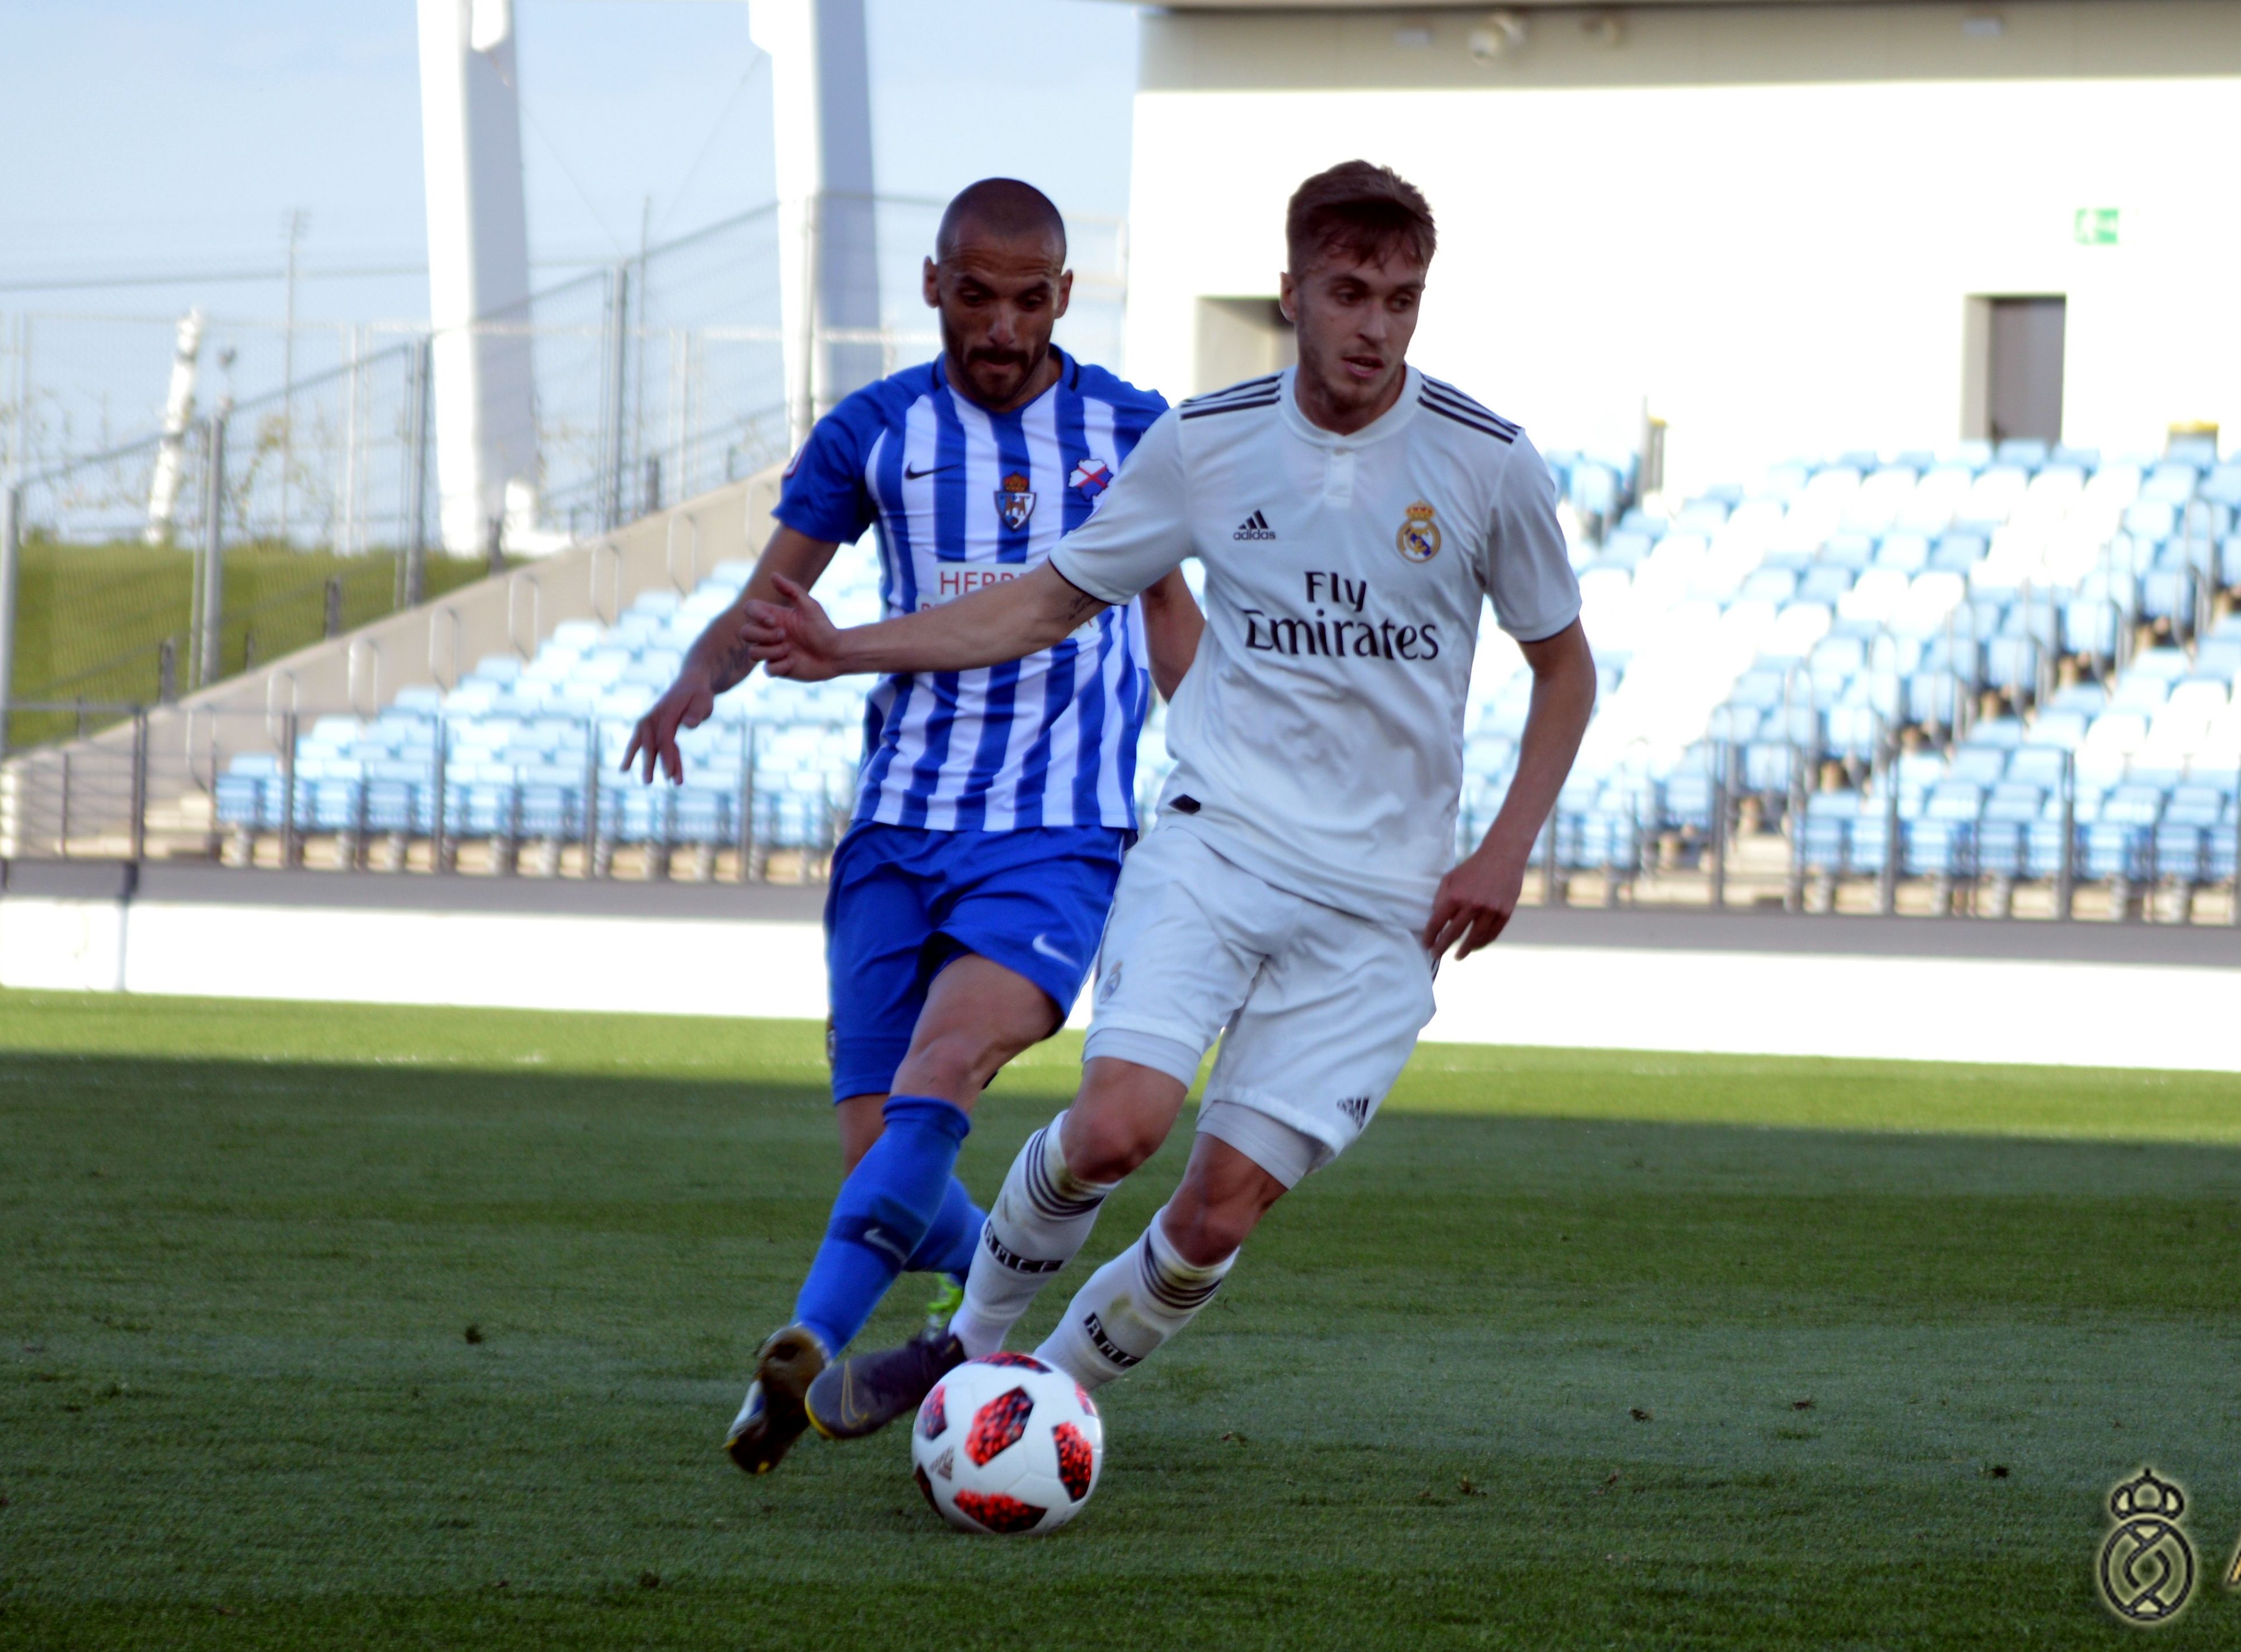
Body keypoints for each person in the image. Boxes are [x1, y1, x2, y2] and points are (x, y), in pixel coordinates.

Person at [740, 159, 1594, 1422]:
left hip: (1384, 903)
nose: (1374, 327)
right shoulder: (1204, 442)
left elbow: (1564, 668)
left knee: (1214, 1215)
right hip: (1219, 843)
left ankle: (1030, 1400)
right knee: (1114, 1126)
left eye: (1401, 300)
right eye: (1348, 294)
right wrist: (847, 646)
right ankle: (965, 1341)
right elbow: (1042, 602)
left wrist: (1505, 847)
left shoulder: (1488, 462)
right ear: (1291, 291)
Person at [622, 177, 1202, 1475]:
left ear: (1064, 296)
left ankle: (803, 1356)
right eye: (975, 295)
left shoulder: (1132, 430)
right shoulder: (875, 430)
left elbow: (1169, 613)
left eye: (1029, 300)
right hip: (894, 827)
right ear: (934, 284)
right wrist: (696, 680)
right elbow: (771, 599)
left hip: (1055, 831)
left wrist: (1222, 749)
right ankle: (981, 1287)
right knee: (874, 1160)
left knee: (941, 1068)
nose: (1001, 326)